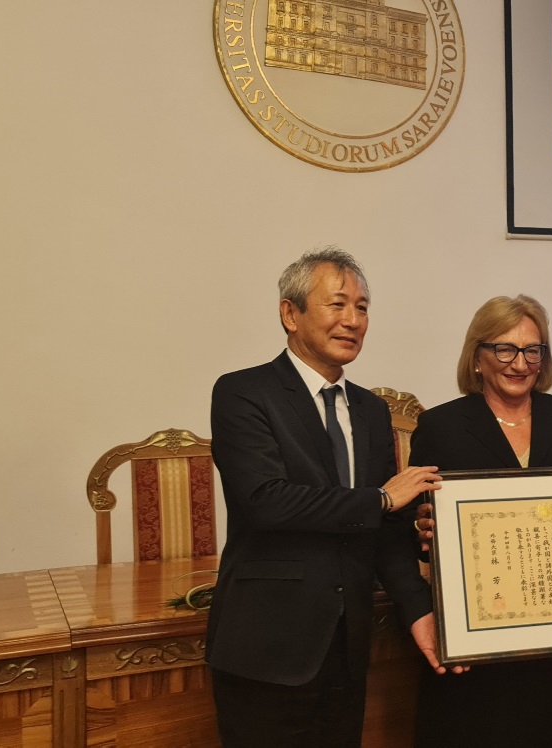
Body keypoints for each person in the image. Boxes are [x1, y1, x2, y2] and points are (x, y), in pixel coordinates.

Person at [206, 247, 449, 747]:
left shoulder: (370, 410)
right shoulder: (243, 392)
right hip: (267, 646)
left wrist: (418, 610)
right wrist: (380, 500)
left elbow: (387, 533)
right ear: (290, 314)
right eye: (337, 304)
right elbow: (266, 501)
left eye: (362, 308)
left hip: (348, 646)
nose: (353, 321)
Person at [410, 294, 552, 748]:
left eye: (533, 350)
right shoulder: (440, 426)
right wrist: (421, 527)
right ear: (477, 356)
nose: (520, 363)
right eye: (505, 349)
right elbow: (410, 529)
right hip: (471, 637)